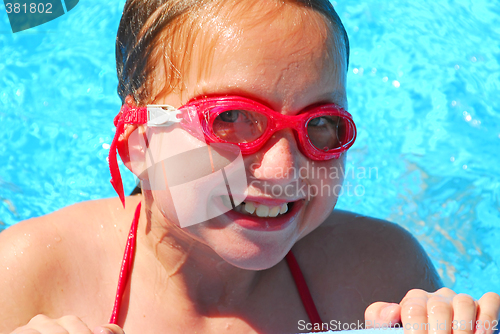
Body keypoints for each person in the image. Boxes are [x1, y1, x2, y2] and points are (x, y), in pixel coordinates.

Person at [1, 0, 499, 333]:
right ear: (137, 143)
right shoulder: (30, 278)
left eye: (321, 124)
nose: (284, 170)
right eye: (231, 119)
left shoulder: (382, 274)